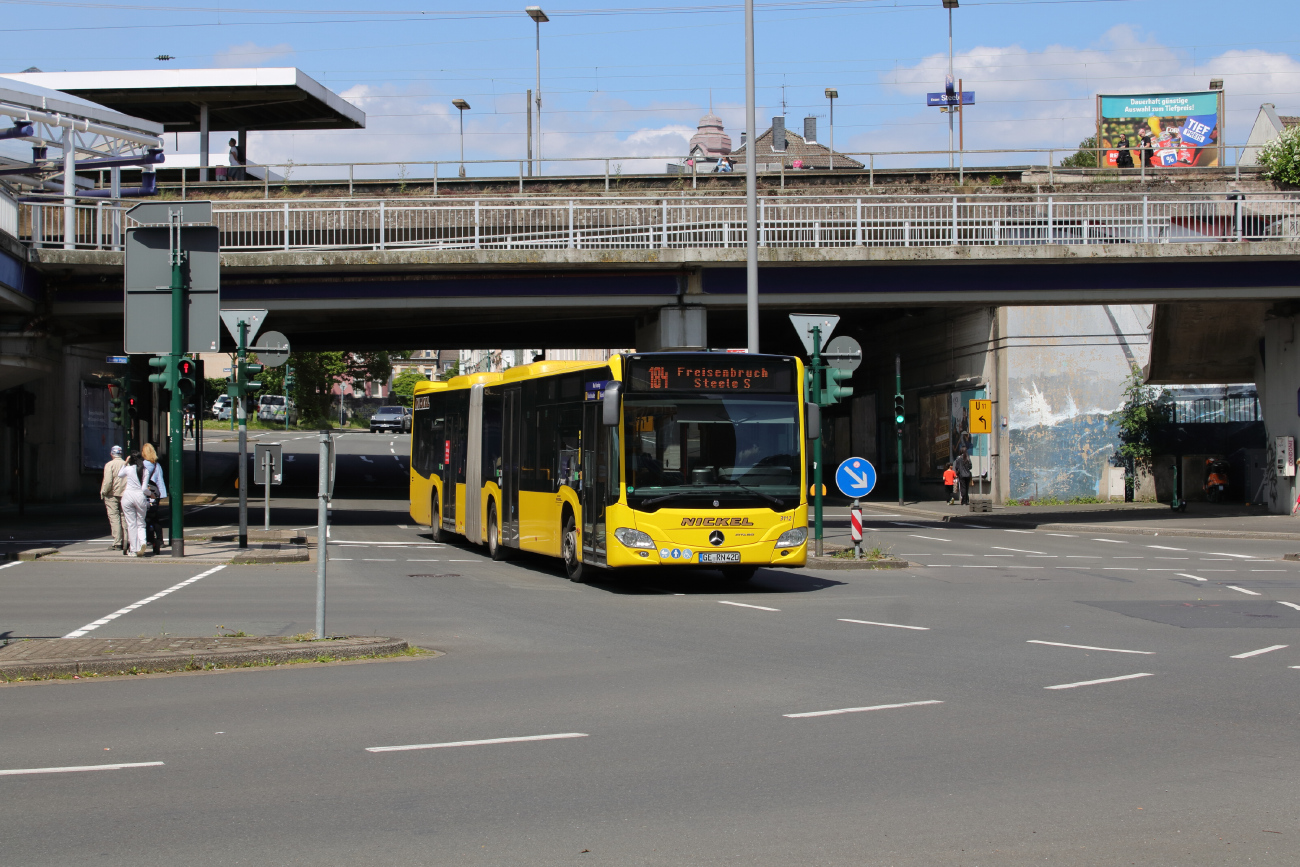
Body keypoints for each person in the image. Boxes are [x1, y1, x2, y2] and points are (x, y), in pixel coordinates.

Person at [118, 451, 148, 556]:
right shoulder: (145, 470)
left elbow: (119, 475)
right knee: (141, 523)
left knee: (131, 524)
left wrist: (125, 463)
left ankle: (134, 549)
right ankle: (143, 543)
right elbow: (144, 489)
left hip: (128, 496)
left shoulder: (128, 469)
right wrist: (150, 494)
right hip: (139, 496)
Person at [140, 442, 169, 555]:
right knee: (155, 517)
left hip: (146, 493)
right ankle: (160, 539)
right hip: (156, 494)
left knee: (146, 517)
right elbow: (159, 480)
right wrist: (161, 494)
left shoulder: (143, 465)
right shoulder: (156, 465)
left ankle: (149, 538)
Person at [100, 445, 128, 549]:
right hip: (125, 494)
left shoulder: (109, 465)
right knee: (124, 517)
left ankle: (118, 542)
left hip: (112, 494)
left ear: (111, 454)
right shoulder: (126, 464)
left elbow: (108, 481)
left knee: (114, 517)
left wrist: (104, 492)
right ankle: (127, 540)